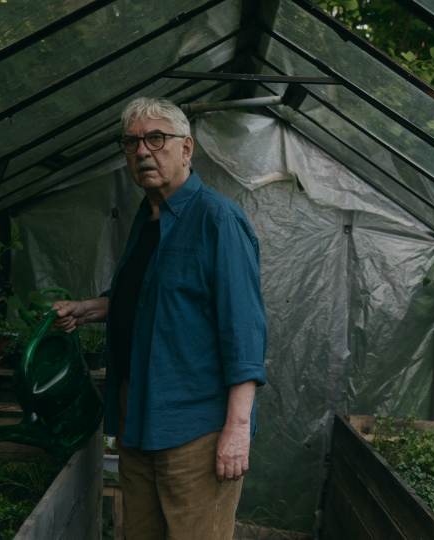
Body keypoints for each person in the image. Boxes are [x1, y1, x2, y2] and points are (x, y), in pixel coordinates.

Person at [52, 97, 267, 540]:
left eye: (155, 139)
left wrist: (237, 430)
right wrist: (88, 309)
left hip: (195, 431)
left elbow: (244, 333)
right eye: (131, 142)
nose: (142, 152)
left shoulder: (217, 220)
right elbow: (153, 299)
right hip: (137, 421)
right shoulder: (148, 217)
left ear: (186, 149)